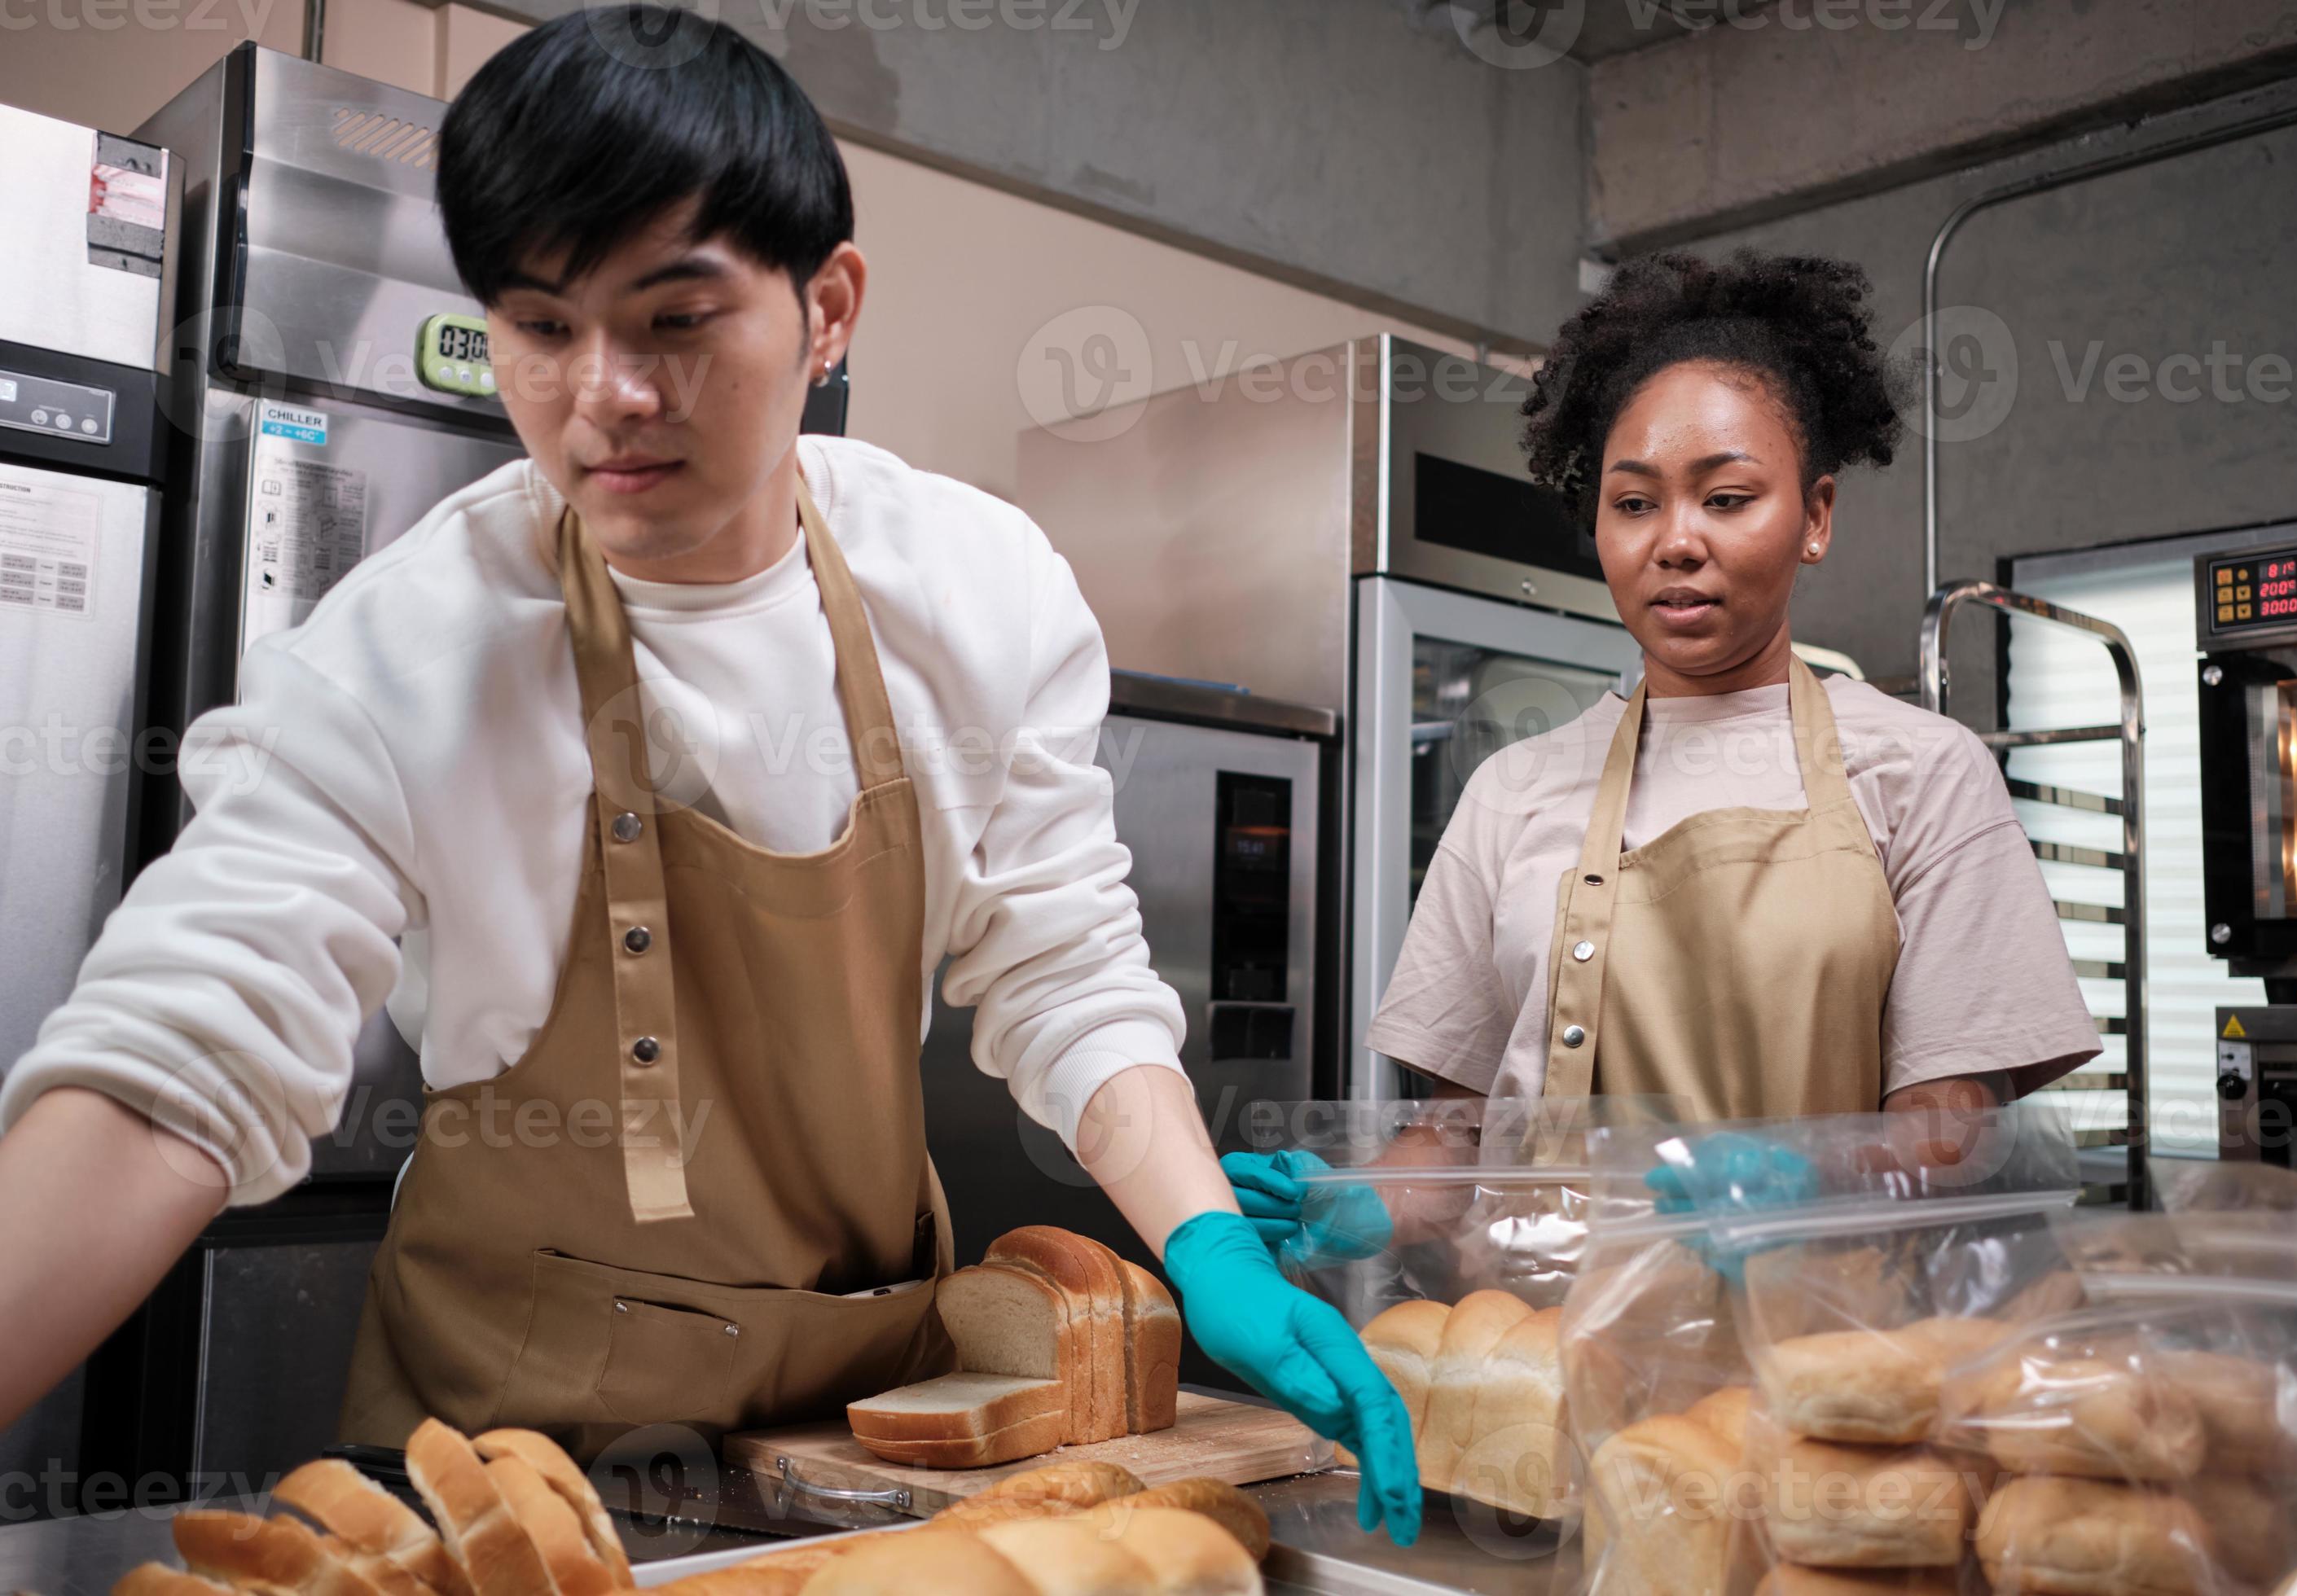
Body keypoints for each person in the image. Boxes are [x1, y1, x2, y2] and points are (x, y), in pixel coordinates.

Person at [0, 9, 1418, 1542]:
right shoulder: (417, 647)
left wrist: (1202, 1237)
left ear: (829, 310)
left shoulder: (975, 590)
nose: (602, 394)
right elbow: (175, 1072)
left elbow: (1061, 964)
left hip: (859, 1437)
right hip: (515, 1465)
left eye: (673, 321)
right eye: (541, 327)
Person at [1351, 251, 2100, 1122]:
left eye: (1729, 497)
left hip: (1828, 1264)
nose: (1675, 541)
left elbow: (1945, 1137)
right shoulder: (1510, 791)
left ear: (1816, 516)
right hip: (1544, 1268)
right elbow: (1455, 1139)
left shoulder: (1924, 771)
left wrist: (1755, 1195)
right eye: (1634, 504)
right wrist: (1345, 1206)